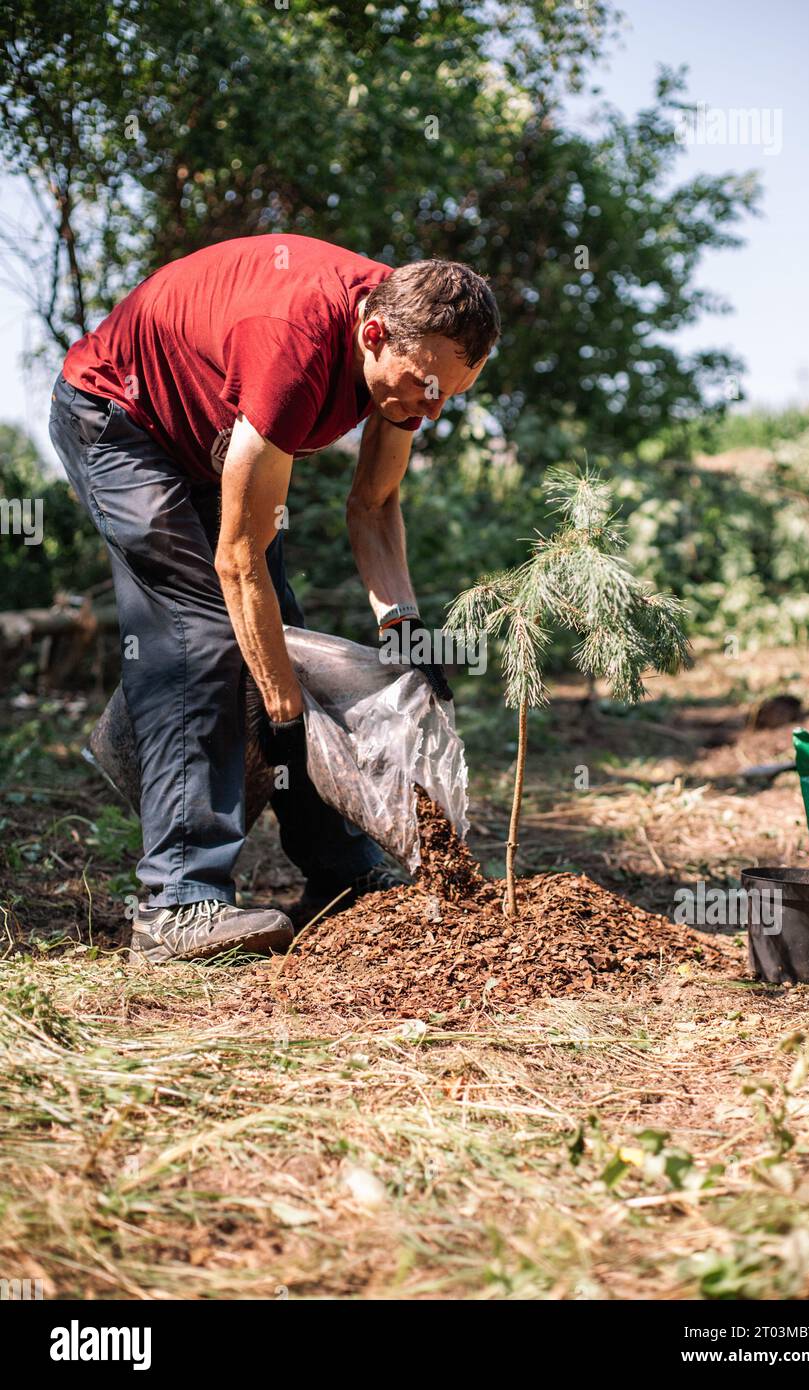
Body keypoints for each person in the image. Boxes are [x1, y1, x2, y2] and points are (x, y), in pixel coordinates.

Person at [49, 234, 500, 964]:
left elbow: (375, 505)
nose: (433, 408)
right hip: (119, 422)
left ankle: (342, 875)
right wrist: (278, 693)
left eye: (450, 392)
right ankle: (178, 904)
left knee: (274, 636)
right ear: (373, 334)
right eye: (424, 386)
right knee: (204, 638)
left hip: (211, 437)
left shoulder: (409, 344)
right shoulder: (293, 347)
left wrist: (405, 629)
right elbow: (237, 562)